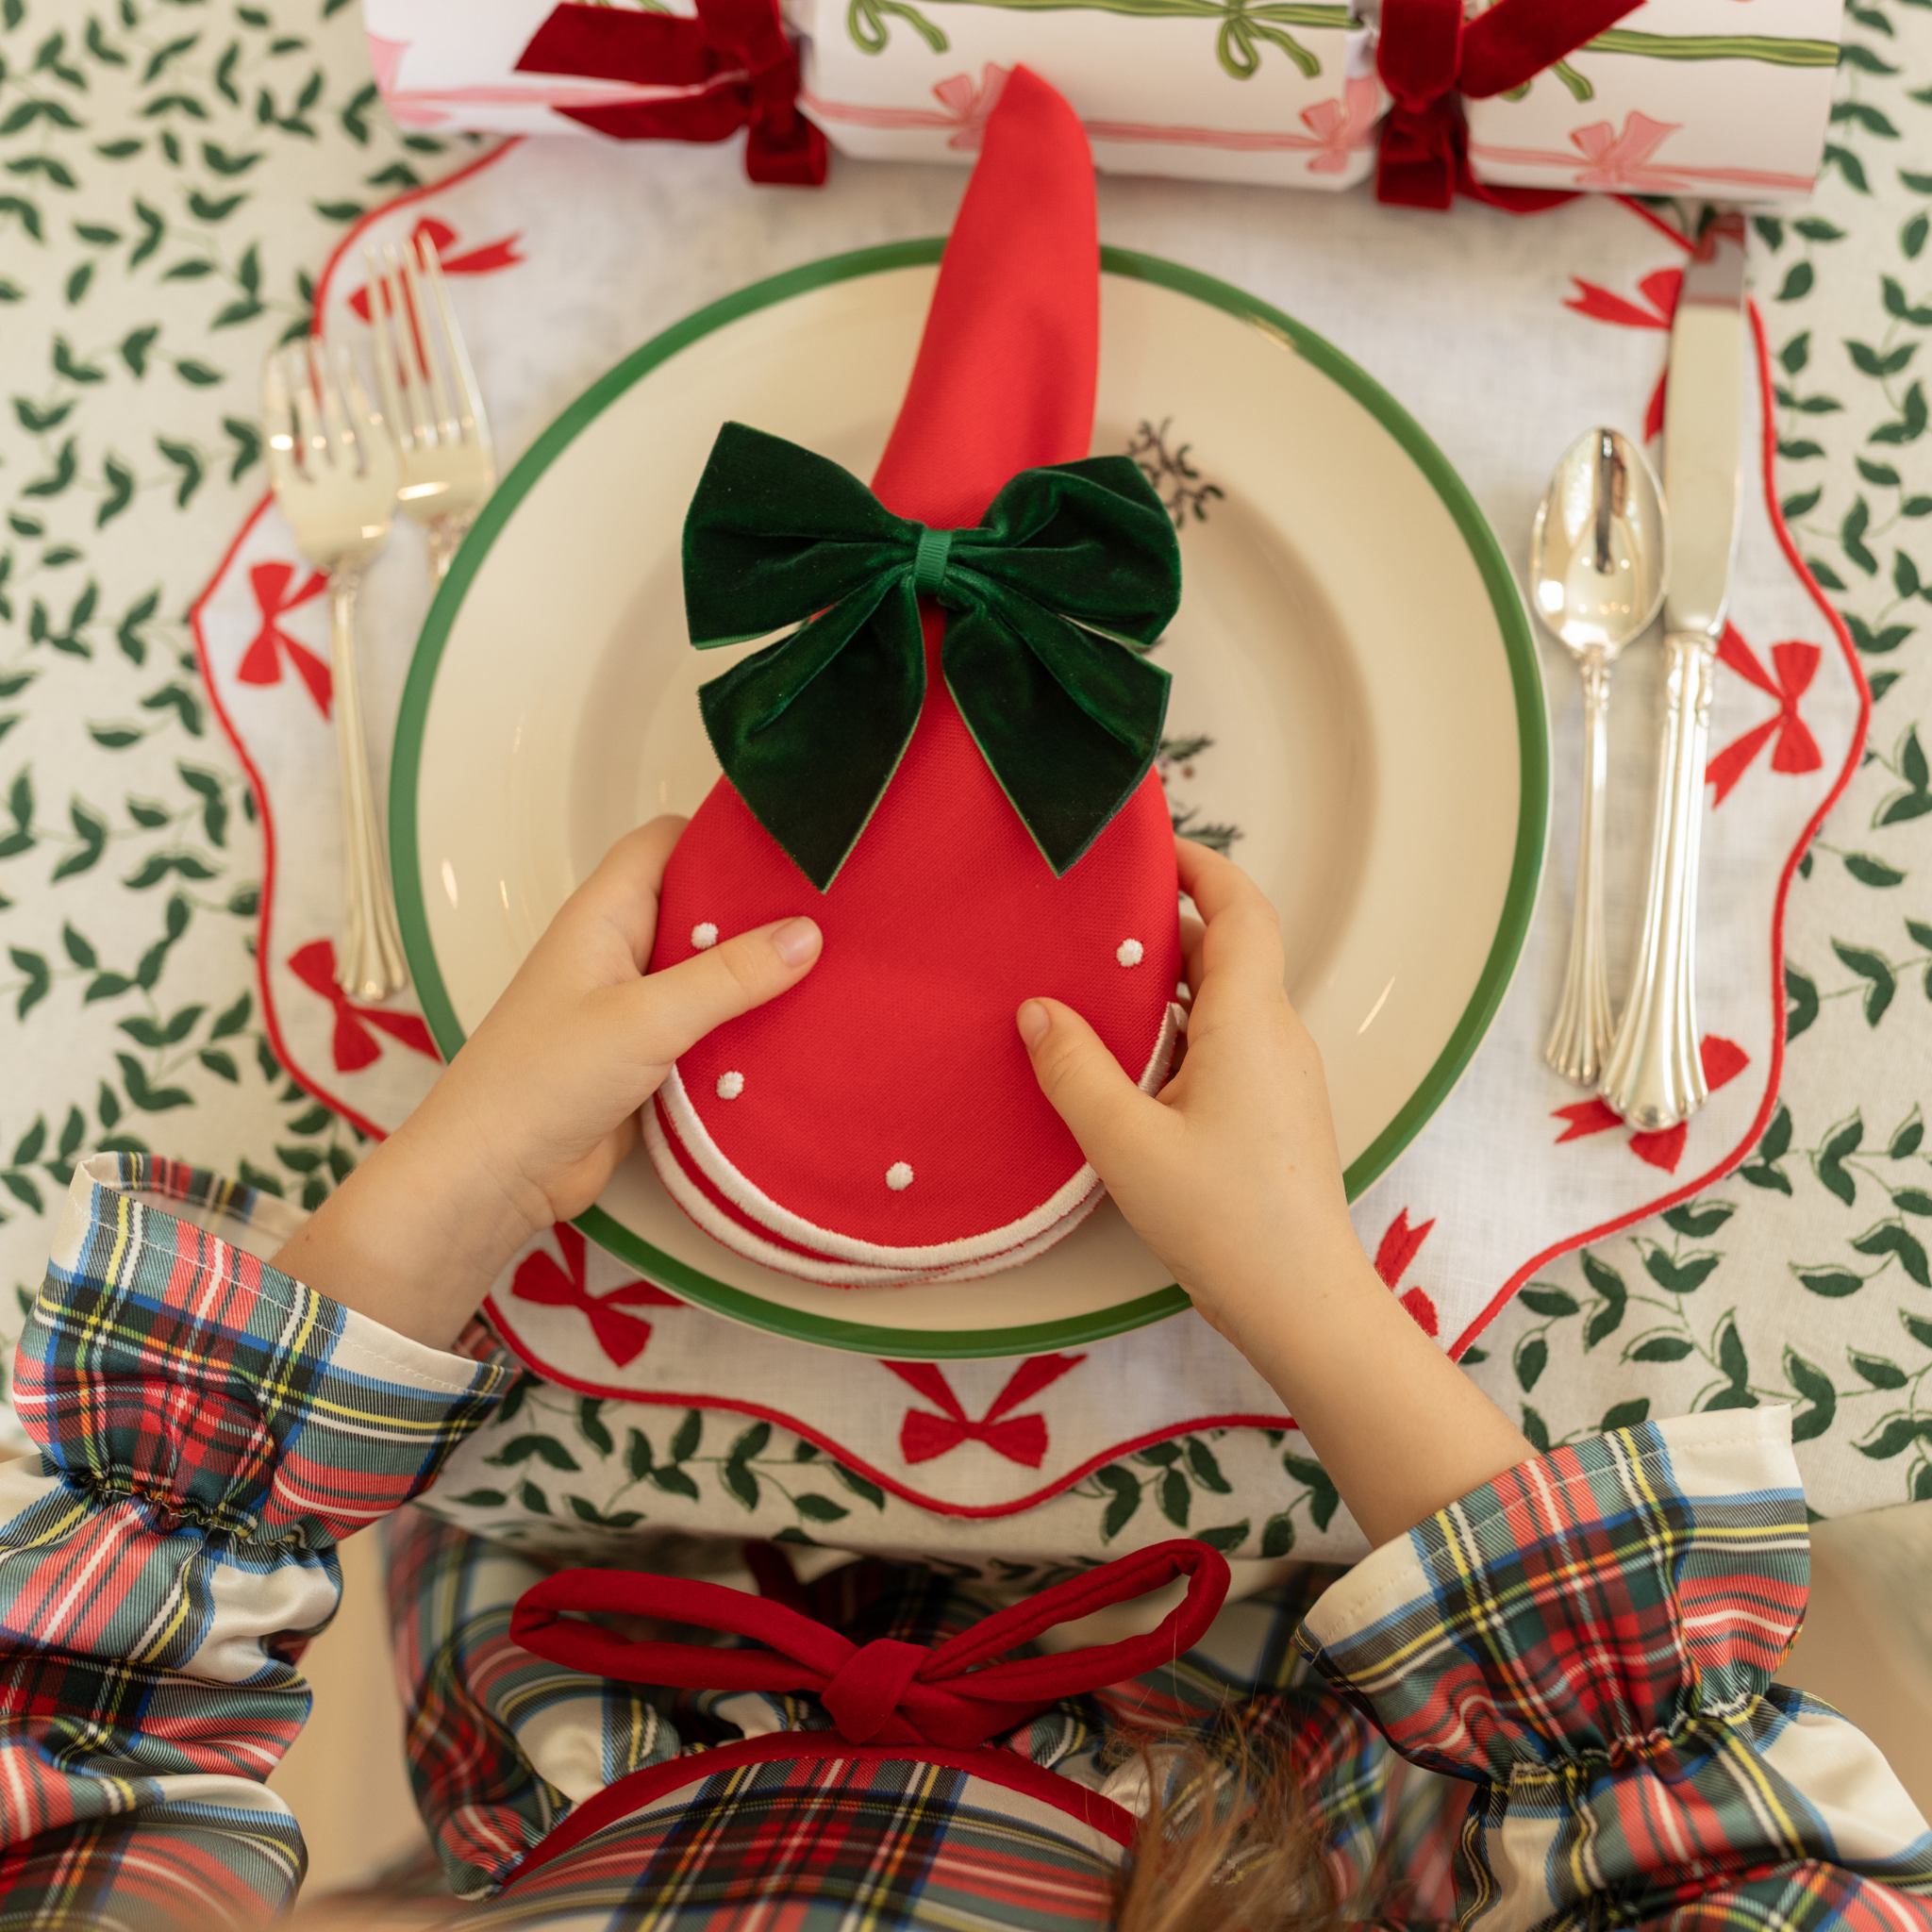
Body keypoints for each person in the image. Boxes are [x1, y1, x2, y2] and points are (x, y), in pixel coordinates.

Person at [2, 822, 1928, 1930]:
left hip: (570, 1609)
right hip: (1269, 1722)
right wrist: (1312, 1300)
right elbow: (1755, 1870)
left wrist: (444, 1195)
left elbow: (56, 1730)